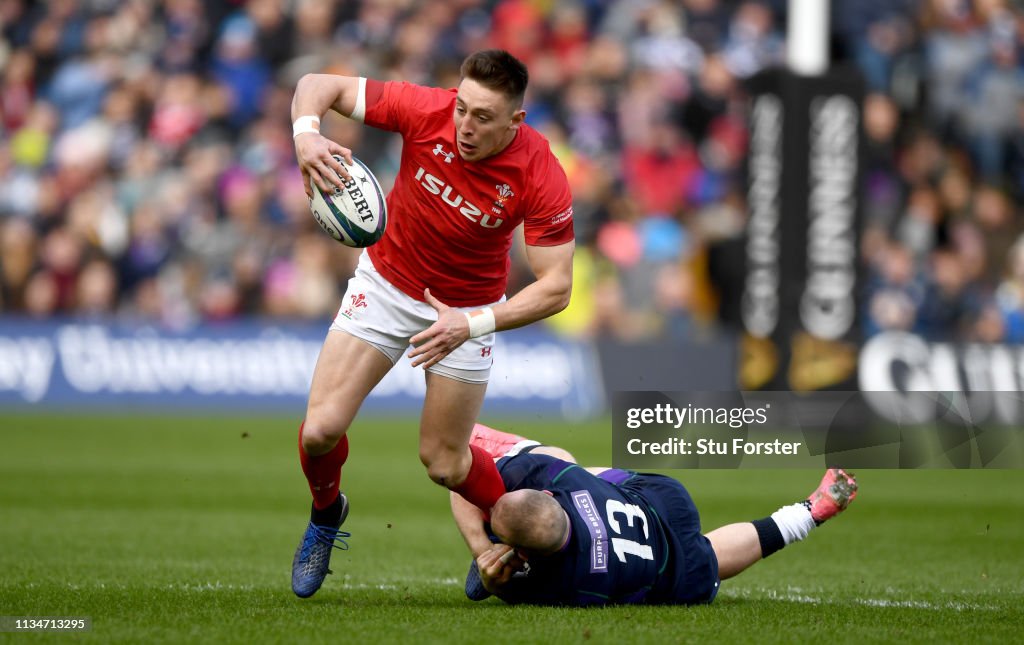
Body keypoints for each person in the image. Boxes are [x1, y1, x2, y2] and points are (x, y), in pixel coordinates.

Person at [288, 50, 575, 598]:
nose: (465, 126)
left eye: (483, 118)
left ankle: (505, 535)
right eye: (462, 108)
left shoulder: (540, 171)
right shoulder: (426, 109)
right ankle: (327, 515)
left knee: (444, 463)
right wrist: (307, 134)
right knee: (321, 431)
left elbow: (557, 287)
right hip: (386, 284)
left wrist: (471, 324)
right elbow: (316, 82)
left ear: (516, 120)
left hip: (466, 310)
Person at [451, 424, 858, 605]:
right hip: (658, 498)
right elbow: (466, 448)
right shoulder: (569, 482)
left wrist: (483, 559)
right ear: (548, 494)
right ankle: (812, 509)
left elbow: (459, 477)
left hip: (667, 571)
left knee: (709, 558)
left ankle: (808, 514)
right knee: (559, 458)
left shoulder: (577, 587)